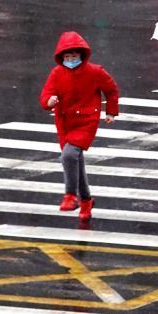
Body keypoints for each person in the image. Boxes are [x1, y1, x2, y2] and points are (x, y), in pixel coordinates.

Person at [39, 31, 119, 221]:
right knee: (76, 160)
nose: (71, 59)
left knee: (69, 155)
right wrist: (49, 102)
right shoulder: (57, 73)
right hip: (65, 122)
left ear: (82, 55)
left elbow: (111, 90)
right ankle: (86, 200)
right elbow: (46, 94)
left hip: (86, 121)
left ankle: (70, 196)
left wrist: (111, 112)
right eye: (67, 56)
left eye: (74, 56)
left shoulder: (95, 72)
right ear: (62, 57)